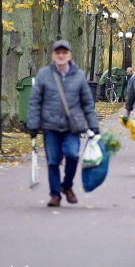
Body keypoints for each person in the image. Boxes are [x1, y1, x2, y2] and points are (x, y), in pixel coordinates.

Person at [27, 40, 100, 207]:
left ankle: (66, 186)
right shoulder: (44, 74)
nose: (61, 56)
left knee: (73, 156)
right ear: (53, 56)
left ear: (69, 55)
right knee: (53, 161)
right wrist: (33, 124)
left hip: (71, 127)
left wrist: (93, 124)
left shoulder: (79, 76)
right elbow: (35, 101)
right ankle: (55, 195)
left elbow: (88, 103)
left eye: (64, 53)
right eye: (58, 53)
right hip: (50, 126)